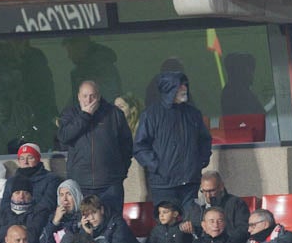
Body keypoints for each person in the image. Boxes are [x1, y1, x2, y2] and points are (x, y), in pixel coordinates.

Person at [133, 71, 212, 208]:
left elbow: (204, 140)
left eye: (185, 85)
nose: (184, 89)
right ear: (168, 90)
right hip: (163, 185)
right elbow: (140, 146)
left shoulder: (193, 114)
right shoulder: (151, 115)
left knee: (190, 224)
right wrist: (157, 166)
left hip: (190, 182)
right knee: (167, 226)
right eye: (179, 86)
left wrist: (200, 161)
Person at [56, 80, 134, 215]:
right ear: (79, 97)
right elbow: (63, 136)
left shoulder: (114, 114)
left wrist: (120, 171)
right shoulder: (70, 113)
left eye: (92, 96)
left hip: (110, 182)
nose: (89, 100)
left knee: (112, 222)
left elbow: (126, 146)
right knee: (83, 224)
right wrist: (84, 116)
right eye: (85, 96)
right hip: (80, 182)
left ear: (99, 96)